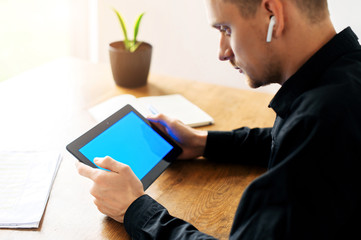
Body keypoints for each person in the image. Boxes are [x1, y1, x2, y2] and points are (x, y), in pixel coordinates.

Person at [77, 0, 361, 239]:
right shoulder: (343, 81)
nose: (222, 52)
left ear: (273, 14)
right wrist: (203, 143)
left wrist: (134, 209)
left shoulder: (322, 121)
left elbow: (309, 133)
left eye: (226, 29)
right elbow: (294, 136)